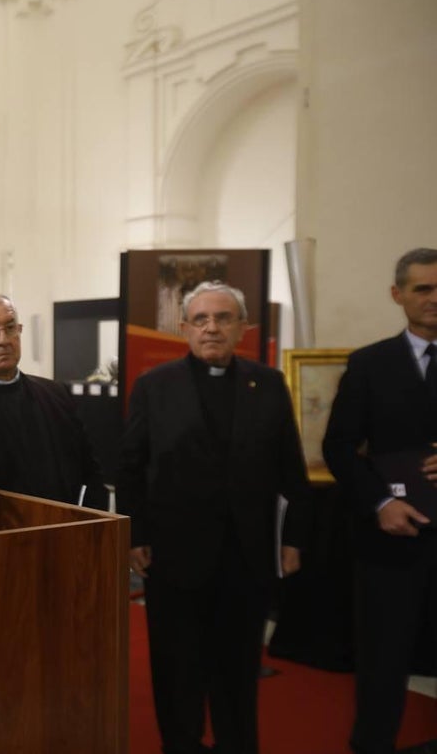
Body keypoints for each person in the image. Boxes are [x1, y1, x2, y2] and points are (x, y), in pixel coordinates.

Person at [116, 280, 309, 754]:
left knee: (238, 669)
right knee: (177, 669)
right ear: (184, 328)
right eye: (201, 319)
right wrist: (135, 534)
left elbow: (292, 468)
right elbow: (130, 466)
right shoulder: (154, 387)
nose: (212, 328)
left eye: (223, 318)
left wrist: (294, 540)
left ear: (243, 327)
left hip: (248, 556)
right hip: (174, 555)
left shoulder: (268, 384)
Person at [323, 248, 437, 754]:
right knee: (383, 664)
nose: (434, 299)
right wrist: (379, 505)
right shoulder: (369, 364)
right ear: (398, 295)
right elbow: (338, 446)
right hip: (391, 541)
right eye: (423, 289)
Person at [0, 294, 109, 509]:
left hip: (65, 529)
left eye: (10, 328)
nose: (4, 340)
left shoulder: (56, 394)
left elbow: (90, 471)